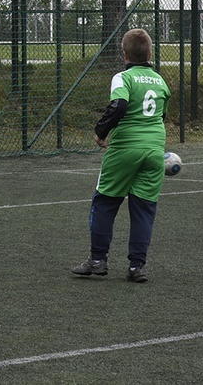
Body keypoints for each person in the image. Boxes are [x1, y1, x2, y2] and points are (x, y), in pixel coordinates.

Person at [71, 28, 170, 283]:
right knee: (144, 209)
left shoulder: (123, 78)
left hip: (125, 148)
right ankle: (137, 267)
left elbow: (120, 105)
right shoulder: (161, 81)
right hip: (155, 150)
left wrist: (100, 131)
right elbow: (162, 116)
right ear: (150, 53)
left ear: (124, 54)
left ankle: (97, 261)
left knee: (104, 202)